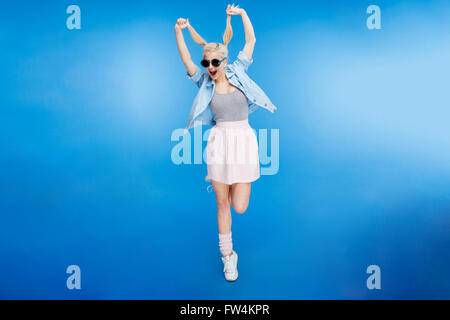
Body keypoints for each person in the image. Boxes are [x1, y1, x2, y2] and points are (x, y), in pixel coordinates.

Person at [174, 3, 277, 282]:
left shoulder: (239, 70)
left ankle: (225, 187)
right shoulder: (204, 83)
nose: (210, 68)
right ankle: (228, 256)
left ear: (224, 61)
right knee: (222, 204)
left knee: (239, 206)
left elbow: (251, 40)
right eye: (206, 63)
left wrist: (242, 15)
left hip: (243, 142)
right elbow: (186, 60)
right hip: (219, 144)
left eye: (215, 63)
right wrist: (178, 32)